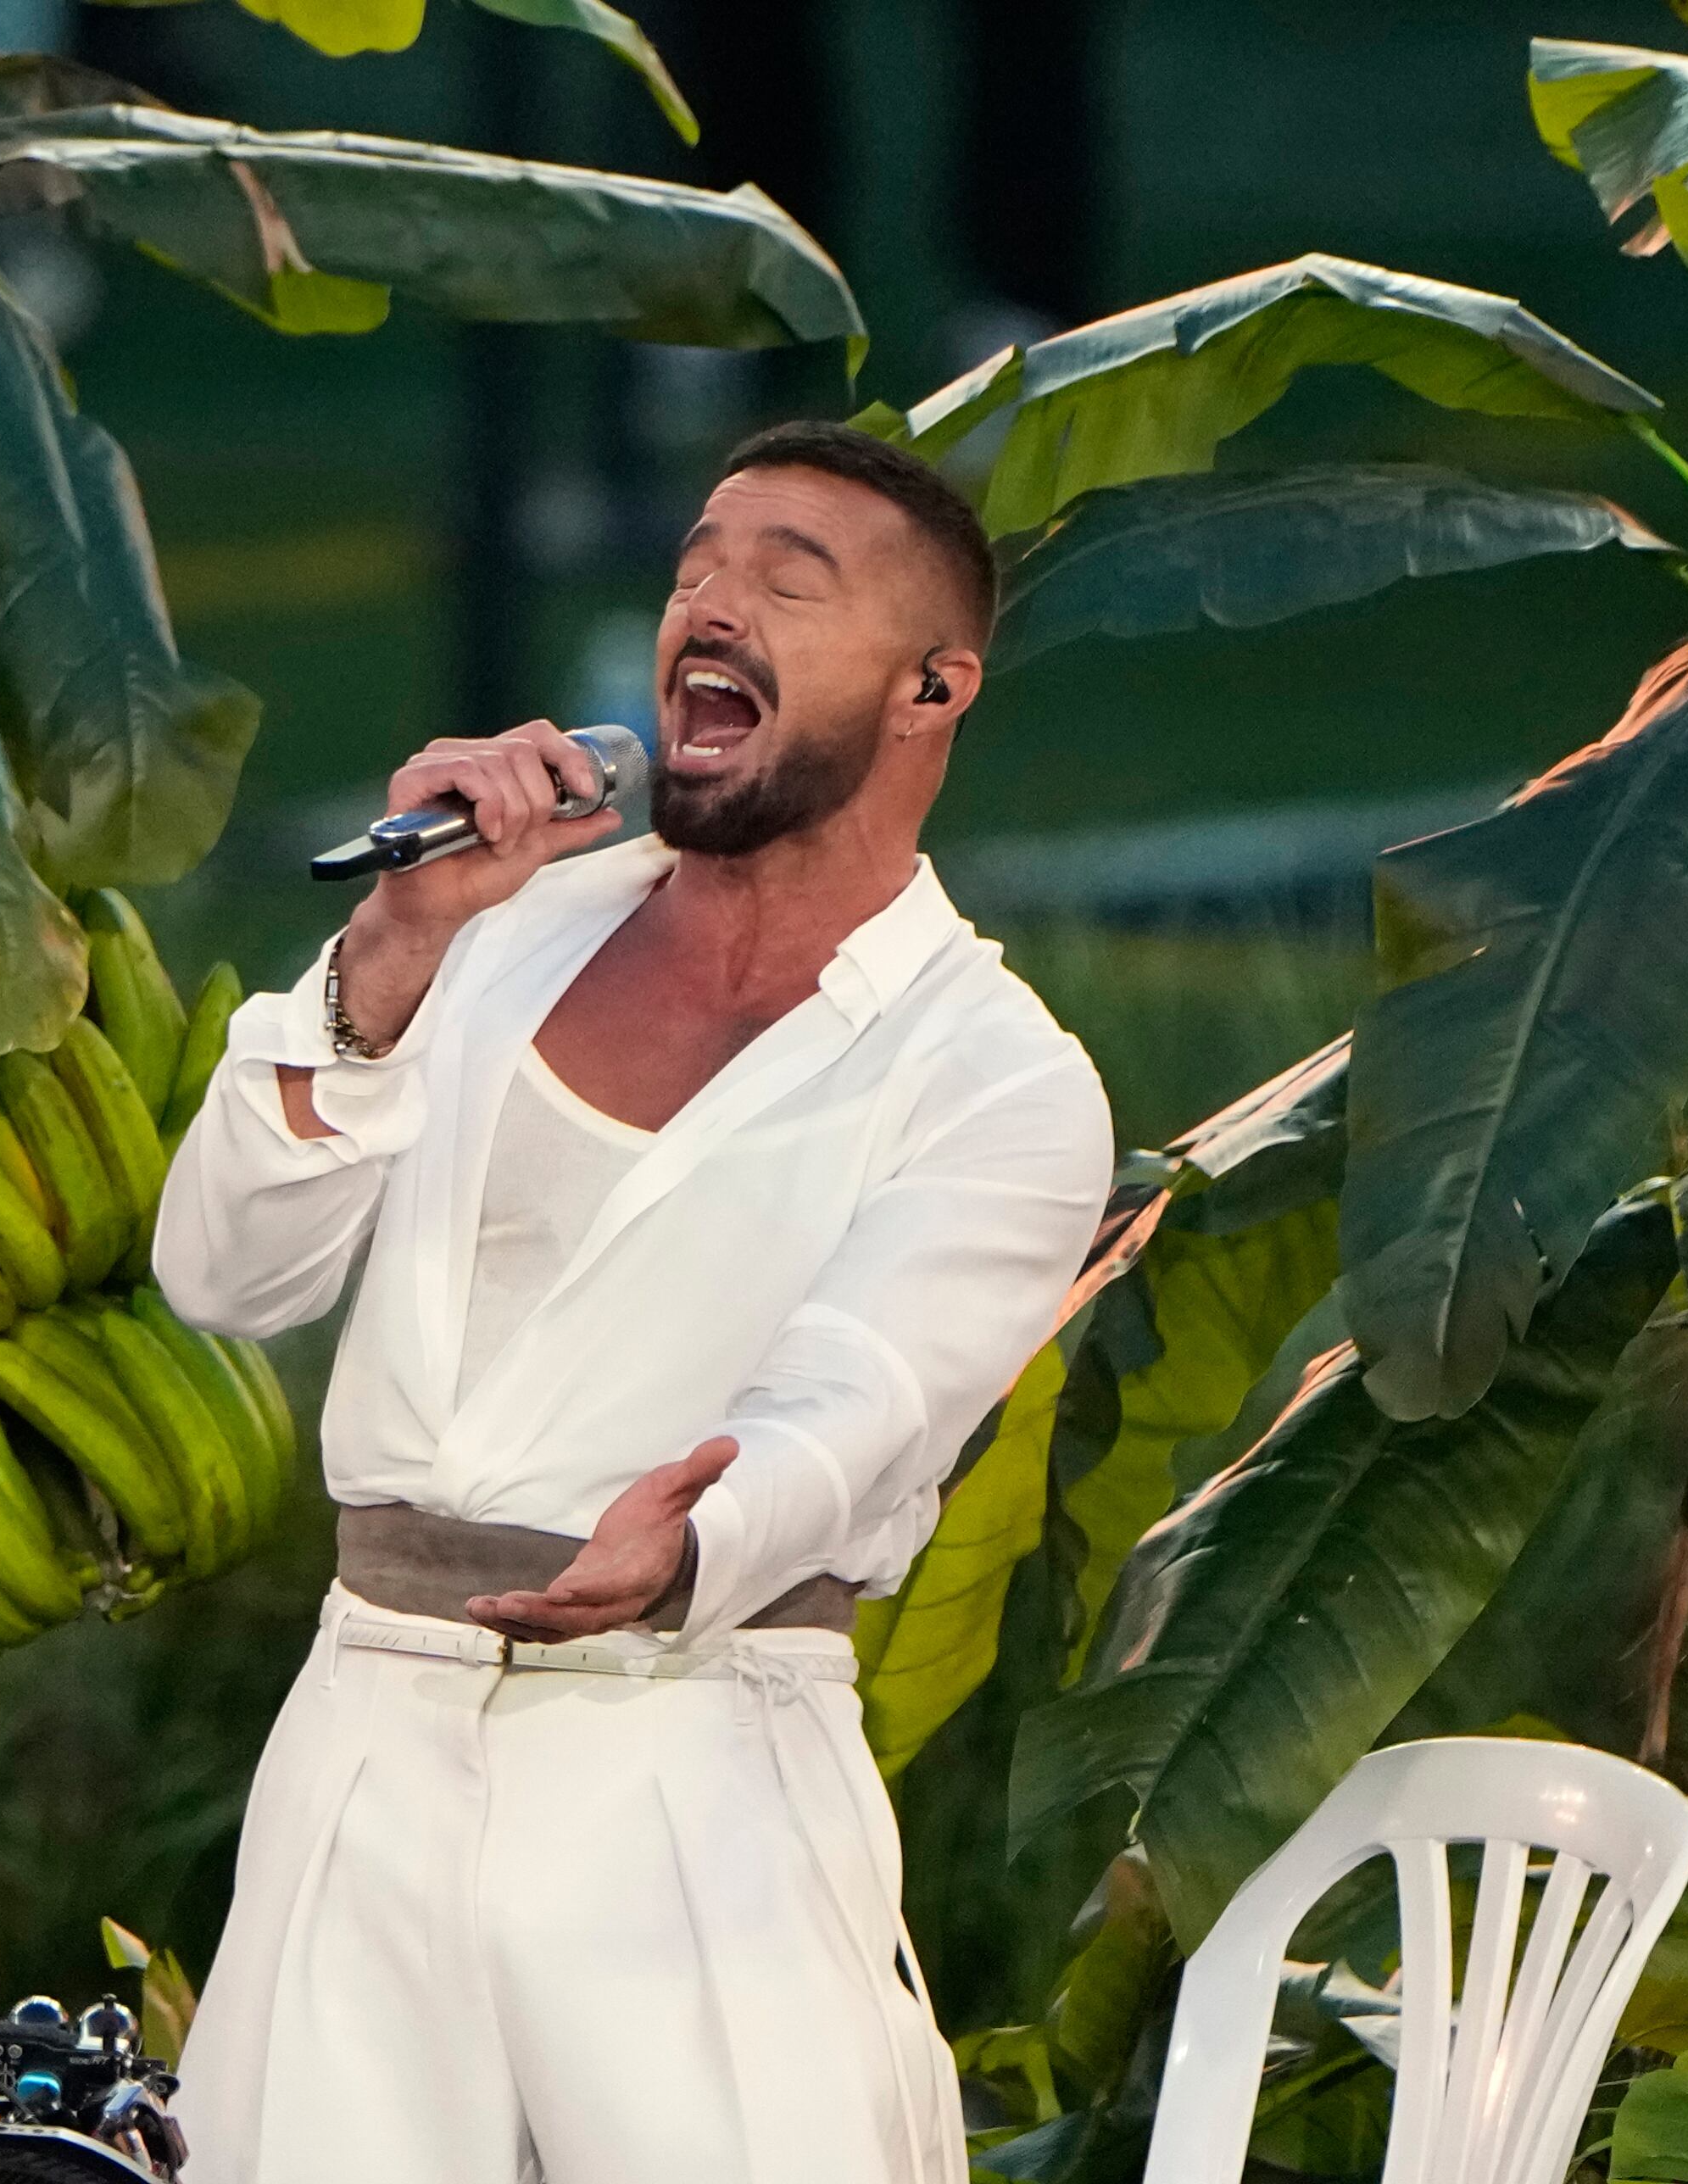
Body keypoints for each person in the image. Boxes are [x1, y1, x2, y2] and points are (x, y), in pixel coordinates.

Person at [152, 421, 1114, 2184]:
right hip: (367, 1739)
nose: (710, 603)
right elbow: (224, 1268)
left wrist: (695, 1533)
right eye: (695, 566)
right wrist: (386, 958)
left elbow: (870, 1389)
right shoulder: (493, 928)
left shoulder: (994, 1074)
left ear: (932, 687)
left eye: (784, 578)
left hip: (698, 1760)